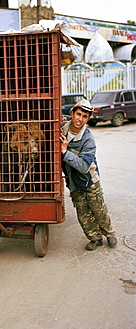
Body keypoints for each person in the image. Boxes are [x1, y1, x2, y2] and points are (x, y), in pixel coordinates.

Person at [60, 99, 117, 251]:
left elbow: (84, 166)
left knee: (98, 208)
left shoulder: (88, 138)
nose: (80, 119)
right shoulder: (61, 128)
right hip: (73, 181)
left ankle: (109, 233)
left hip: (89, 180)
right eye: (78, 114)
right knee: (82, 212)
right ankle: (95, 238)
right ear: (72, 113)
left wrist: (65, 152)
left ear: (88, 119)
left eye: (84, 116)